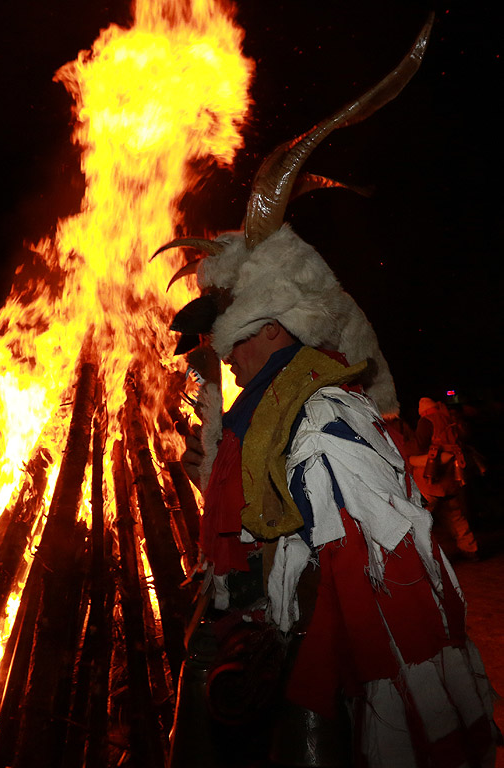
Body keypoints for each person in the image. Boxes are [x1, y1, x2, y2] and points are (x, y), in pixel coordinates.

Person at [155, 15, 498, 768]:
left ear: (273, 325)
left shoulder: (321, 413)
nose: (226, 353)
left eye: (234, 335)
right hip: (249, 650)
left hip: (303, 675)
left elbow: (379, 584)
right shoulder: (266, 408)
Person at [405, 397, 479, 561]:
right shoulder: (448, 417)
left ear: (422, 411)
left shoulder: (427, 421)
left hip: (433, 477)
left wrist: (403, 447)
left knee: (422, 514)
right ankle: (470, 548)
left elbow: (419, 445)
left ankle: (420, 555)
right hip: (452, 475)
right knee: (456, 514)